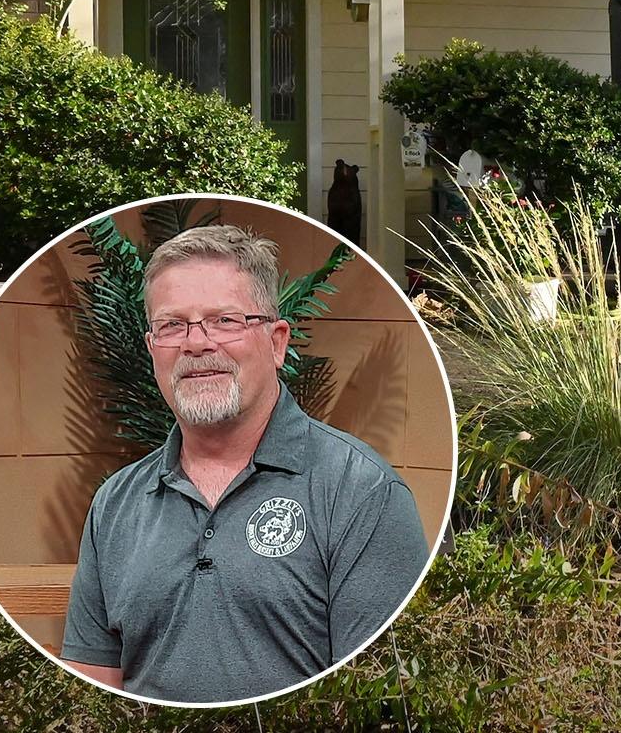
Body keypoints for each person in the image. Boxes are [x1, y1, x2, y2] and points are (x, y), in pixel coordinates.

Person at [60, 225, 429, 703]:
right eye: (173, 325)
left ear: (276, 343)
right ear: (153, 350)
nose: (196, 344)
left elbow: (383, 695)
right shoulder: (115, 503)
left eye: (224, 321)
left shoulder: (361, 492)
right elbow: (91, 686)